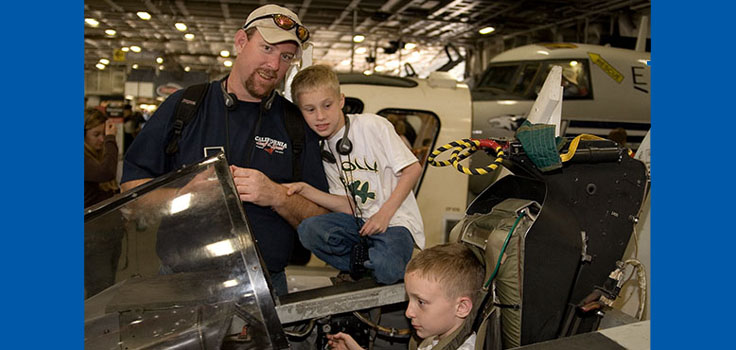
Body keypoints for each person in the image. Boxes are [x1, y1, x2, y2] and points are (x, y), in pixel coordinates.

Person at [120, 4, 329, 296]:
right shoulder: (185, 108)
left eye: (285, 57)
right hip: (181, 283)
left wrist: (277, 196)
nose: (273, 65)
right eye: (266, 48)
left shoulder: (296, 124)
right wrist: (184, 197)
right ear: (241, 41)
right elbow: (130, 195)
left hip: (265, 287)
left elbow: (321, 220)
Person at [286, 65, 424, 285]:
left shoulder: (372, 125)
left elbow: (413, 169)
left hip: (395, 222)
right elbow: (348, 205)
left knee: (386, 266)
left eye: (327, 105)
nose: (320, 116)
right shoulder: (323, 149)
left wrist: (384, 215)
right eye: (310, 110)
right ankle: (364, 267)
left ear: (341, 101)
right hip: (359, 224)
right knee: (309, 230)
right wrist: (307, 190)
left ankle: (375, 266)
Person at [327, 243, 485, 350]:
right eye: (409, 300)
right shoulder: (434, 341)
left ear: (462, 307)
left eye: (421, 302)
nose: (408, 313)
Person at [84, 108, 124, 297]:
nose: (101, 140)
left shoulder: (96, 156)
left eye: (103, 134)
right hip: (91, 234)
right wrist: (110, 139)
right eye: (95, 135)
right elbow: (105, 173)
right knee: (99, 289)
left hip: (107, 232)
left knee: (107, 283)